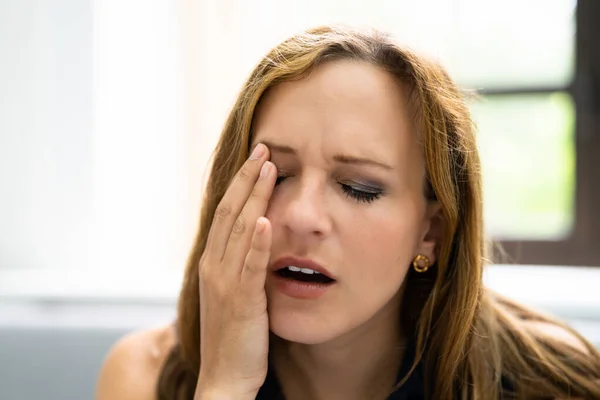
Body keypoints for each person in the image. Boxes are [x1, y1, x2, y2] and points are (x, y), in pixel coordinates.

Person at [95, 25, 600, 400]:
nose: (301, 215)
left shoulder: (553, 383)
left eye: (358, 188)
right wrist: (224, 387)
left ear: (432, 233)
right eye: (276, 174)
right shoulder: (145, 377)